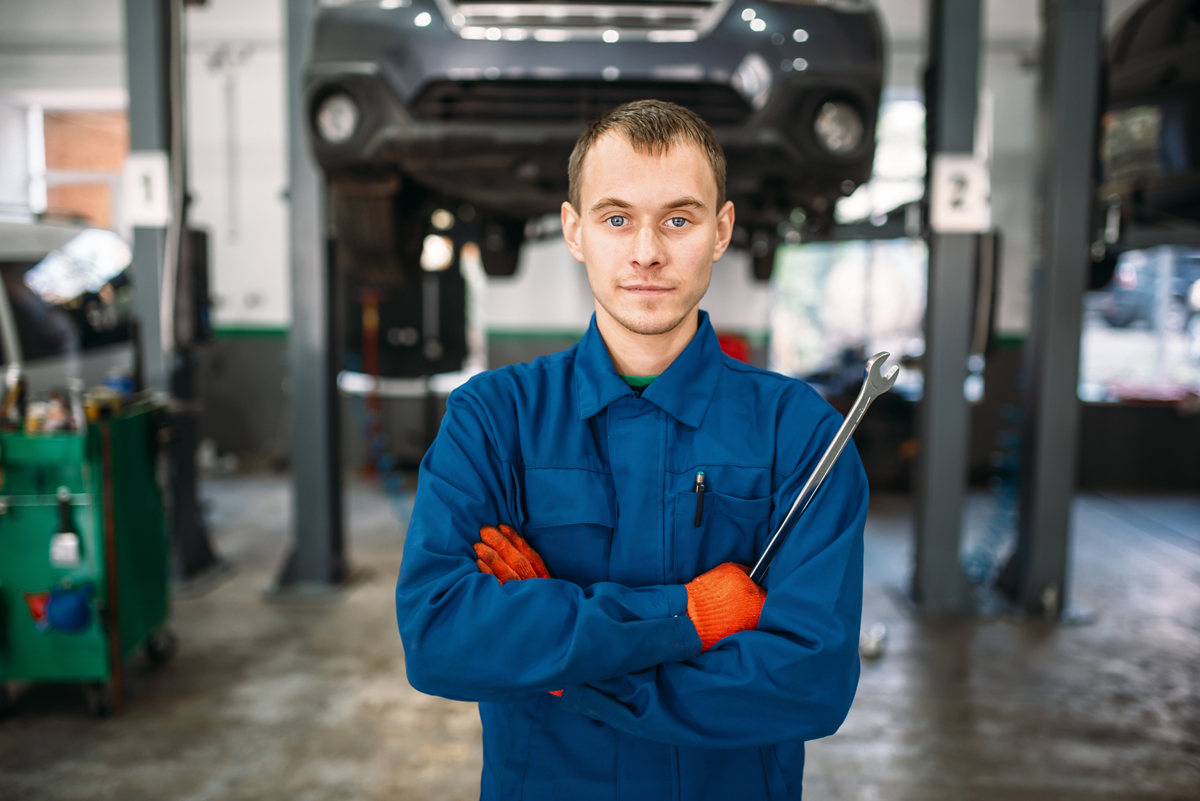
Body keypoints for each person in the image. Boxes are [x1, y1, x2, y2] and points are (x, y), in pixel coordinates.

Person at [396, 99, 867, 800]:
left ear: (721, 231)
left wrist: (560, 668)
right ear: (575, 230)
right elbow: (439, 635)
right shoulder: (493, 420)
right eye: (617, 218)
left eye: (679, 219)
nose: (647, 251)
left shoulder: (799, 434)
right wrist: (687, 616)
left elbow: (808, 682)